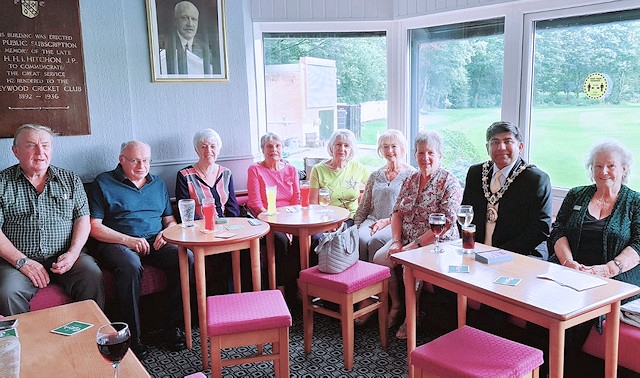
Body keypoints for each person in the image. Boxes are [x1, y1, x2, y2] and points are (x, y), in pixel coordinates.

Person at [88, 141, 193, 358]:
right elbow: (94, 227)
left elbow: (169, 219)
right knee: (130, 265)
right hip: (117, 242)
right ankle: (132, 336)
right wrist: (128, 240)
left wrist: (167, 233)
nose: (141, 166)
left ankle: (171, 325)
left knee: (185, 257)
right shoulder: (103, 182)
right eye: (135, 160)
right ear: (121, 160)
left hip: (155, 240)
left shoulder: (158, 184)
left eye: (146, 161)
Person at [0, 124, 105, 316]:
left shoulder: (70, 179)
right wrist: (22, 261)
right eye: (31, 145)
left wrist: (73, 253)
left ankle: (90, 339)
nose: (40, 152)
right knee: (8, 291)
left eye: (46, 145)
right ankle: (25, 344)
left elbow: (82, 218)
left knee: (91, 274)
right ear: (16, 151)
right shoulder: (2, 183)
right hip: (17, 260)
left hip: (65, 255)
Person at [372, 130, 462, 339]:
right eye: (421, 153)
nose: (425, 158)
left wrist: (415, 245)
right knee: (379, 259)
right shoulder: (410, 179)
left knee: (408, 268)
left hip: (437, 242)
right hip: (405, 237)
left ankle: (410, 317)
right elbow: (396, 213)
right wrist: (395, 241)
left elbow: (447, 223)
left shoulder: (449, 182)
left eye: (430, 153)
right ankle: (396, 305)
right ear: (415, 155)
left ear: (440, 156)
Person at [462, 121, 552, 259]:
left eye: (507, 141)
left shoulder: (536, 179)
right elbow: (465, 212)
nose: (501, 147)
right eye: (495, 142)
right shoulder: (476, 173)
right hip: (477, 251)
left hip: (522, 255)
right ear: (487, 148)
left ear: (520, 146)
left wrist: (497, 255)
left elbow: (540, 229)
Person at [175, 128, 241, 293]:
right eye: (203, 147)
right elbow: (186, 210)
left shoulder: (226, 173)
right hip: (201, 232)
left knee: (244, 251)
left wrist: (227, 226)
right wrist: (206, 227)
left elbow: (233, 206)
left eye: (212, 146)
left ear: (218, 149)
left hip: (226, 229)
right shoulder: (184, 175)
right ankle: (220, 306)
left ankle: (244, 303)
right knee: (223, 256)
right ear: (196, 150)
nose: (208, 151)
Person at [247, 132, 301, 301]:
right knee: (281, 240)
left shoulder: (291, 170)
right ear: (262, 149)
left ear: (282, 149)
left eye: (277, 146)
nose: (274, 149)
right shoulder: (255, 170)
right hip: (266, 221)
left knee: (308, 239)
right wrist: (278, 225)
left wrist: (290, 226)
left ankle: (300, 287)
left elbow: (297, 200)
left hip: (290, 220)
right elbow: (255, 204)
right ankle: (280, 292)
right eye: (269, 146)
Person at [354, 130, 415, 262]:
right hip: (372, 220)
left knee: (376, 241)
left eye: (394, 146)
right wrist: (356, 226)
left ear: (402, 148)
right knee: (360, 238)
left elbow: (411, 210)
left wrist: (387, 221)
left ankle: (376, 280)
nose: (390, 150)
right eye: (385, 146)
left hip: (395, 223)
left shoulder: (412, 175)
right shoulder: (375, 175)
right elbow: (364, 206)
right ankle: (361, 280)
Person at [309, 128, 370, 220]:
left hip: (351, 218)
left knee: (345, 234)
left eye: (346, 146)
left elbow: (375, 188)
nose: (342, 149)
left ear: (351, 150)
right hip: (325, 218)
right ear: (331, 147)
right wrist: (326, 222)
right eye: (338, 144)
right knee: (319, 235)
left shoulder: (359, 168)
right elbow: (313, 203)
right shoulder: (318, 169)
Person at [160, 1, 215, 75]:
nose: (190, 24)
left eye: (194, 19)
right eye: (185, 18)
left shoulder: (205, 48)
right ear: (175, 21)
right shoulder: (164, 45)